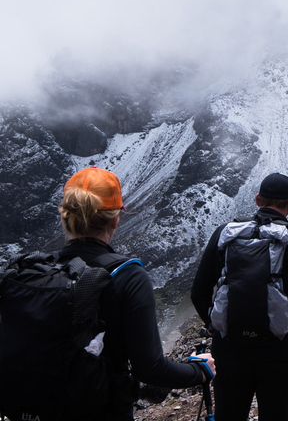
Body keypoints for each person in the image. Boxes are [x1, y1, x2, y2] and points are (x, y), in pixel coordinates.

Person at [0, 166, 216, 421]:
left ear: (65, 217)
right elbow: (151, 369)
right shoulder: (128, 275)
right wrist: (200, 371)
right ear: (115, 219)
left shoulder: (33, 271)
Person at [191, 172, 288, 421]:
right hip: (281, 351)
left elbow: (198, 293)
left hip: (230, 349)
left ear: (257, 199)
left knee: (229, 416)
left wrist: (217, 326)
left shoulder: (224, 235)